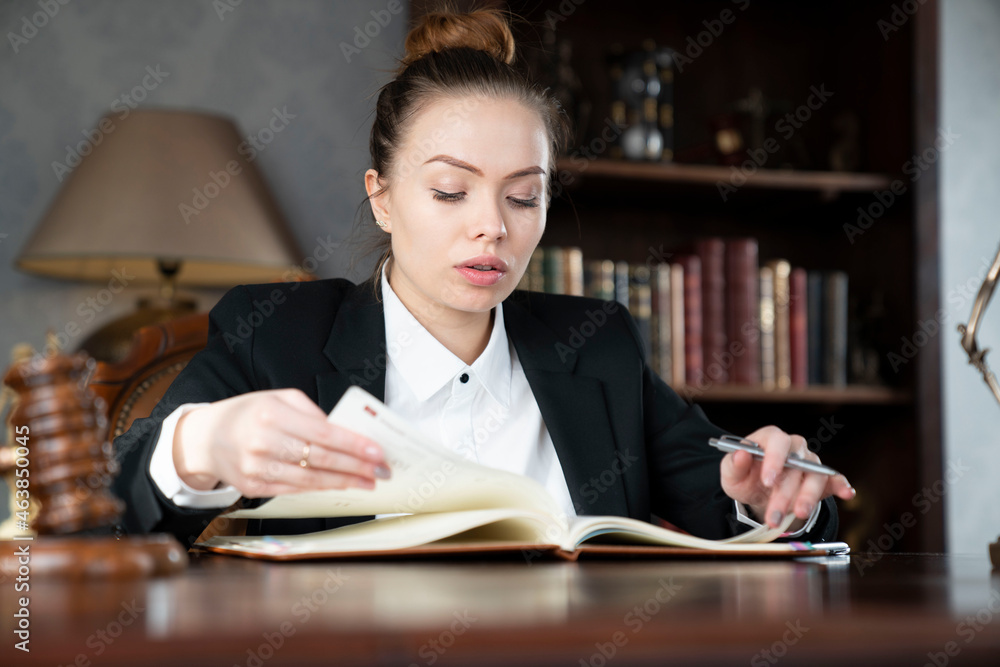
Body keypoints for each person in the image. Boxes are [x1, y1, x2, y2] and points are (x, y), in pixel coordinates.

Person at [113, 7, 854, 548]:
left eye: (523, 195)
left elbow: (743, 503)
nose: (492, 226)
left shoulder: (594, 345)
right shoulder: (277, 333)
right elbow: (104, 511)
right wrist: (199, 444)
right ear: (382, 195)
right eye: (449, 191)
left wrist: (777, 495)